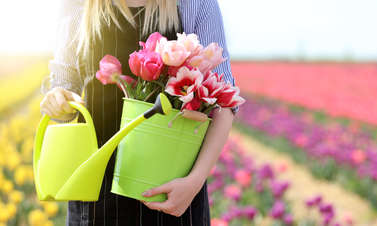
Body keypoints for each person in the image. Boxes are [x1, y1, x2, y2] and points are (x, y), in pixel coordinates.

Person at [39, 0, 239, 225]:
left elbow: (224, 102)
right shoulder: (78, 5)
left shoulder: (195, 4)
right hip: (97, 197)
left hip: (173, 195)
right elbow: (65, 89)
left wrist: (193, 182)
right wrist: (58, 102)